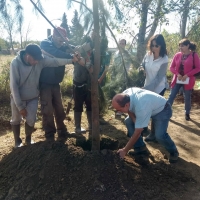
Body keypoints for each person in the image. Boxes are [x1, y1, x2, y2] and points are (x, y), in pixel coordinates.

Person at [10, 43, 83, 148]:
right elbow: (14, 87)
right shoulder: (15, 64)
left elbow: (55, 61)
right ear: (27, 55)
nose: (37, 62)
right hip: (18, 98)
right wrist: (20, 106)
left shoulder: (40, 60)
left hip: (32, 97)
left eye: (38, 60)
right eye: (35, 60)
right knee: (16, 119)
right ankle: (17, 141)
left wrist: (71, 59)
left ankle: (28, 139)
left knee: (31, 119)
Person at [40, 27, 94, 136]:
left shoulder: (63, 45)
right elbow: (56, 53)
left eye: (65, 39)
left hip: (56, 82)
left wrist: (92, 43)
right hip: (45, 83)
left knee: (59, 108)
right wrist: (73, 57)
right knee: (47, 108)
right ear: (55, 36)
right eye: (61, 39)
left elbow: (76, 49)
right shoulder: (45, 43)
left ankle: (61, 130)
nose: (63, 42)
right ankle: (50, 132)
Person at [112, 87, 179, 163]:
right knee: (128, 121)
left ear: (126, 105)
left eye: (119, 110)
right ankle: (140, 147)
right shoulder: (126, 95)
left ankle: (173, 151)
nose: (118, 112)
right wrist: (135, 121)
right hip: (149, 107)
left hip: (162, 110)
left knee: (160, 135)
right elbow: (129, 110)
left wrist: (124, 150)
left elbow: (138, 132)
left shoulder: (141, 107)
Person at [139, 34, 169, 142]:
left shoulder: (164, 59)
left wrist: (146, 89)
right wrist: (142, 69)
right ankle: (144, 128)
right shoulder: (148, 55)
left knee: (155, 111)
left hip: (158, 88)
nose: (154, 48)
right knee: (145, 107)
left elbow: (159, 78)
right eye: (152, 45)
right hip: (147, 85)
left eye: (156, 46)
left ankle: (153, 134)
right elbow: (141, 65)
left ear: (161, 46)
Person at [168, 39, 200, 121]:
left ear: (188, 46)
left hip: (188, 80)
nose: (180, 47)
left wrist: (187, 75)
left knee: (187, 97)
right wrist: (177, 74)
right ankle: (166, 112)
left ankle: (187, 113)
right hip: (177, 79)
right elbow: (171, 67)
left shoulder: (194, 55)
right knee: (172, 95)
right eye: (180, 46)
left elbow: (198, 68)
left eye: (182, 45)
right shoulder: (177, 55)